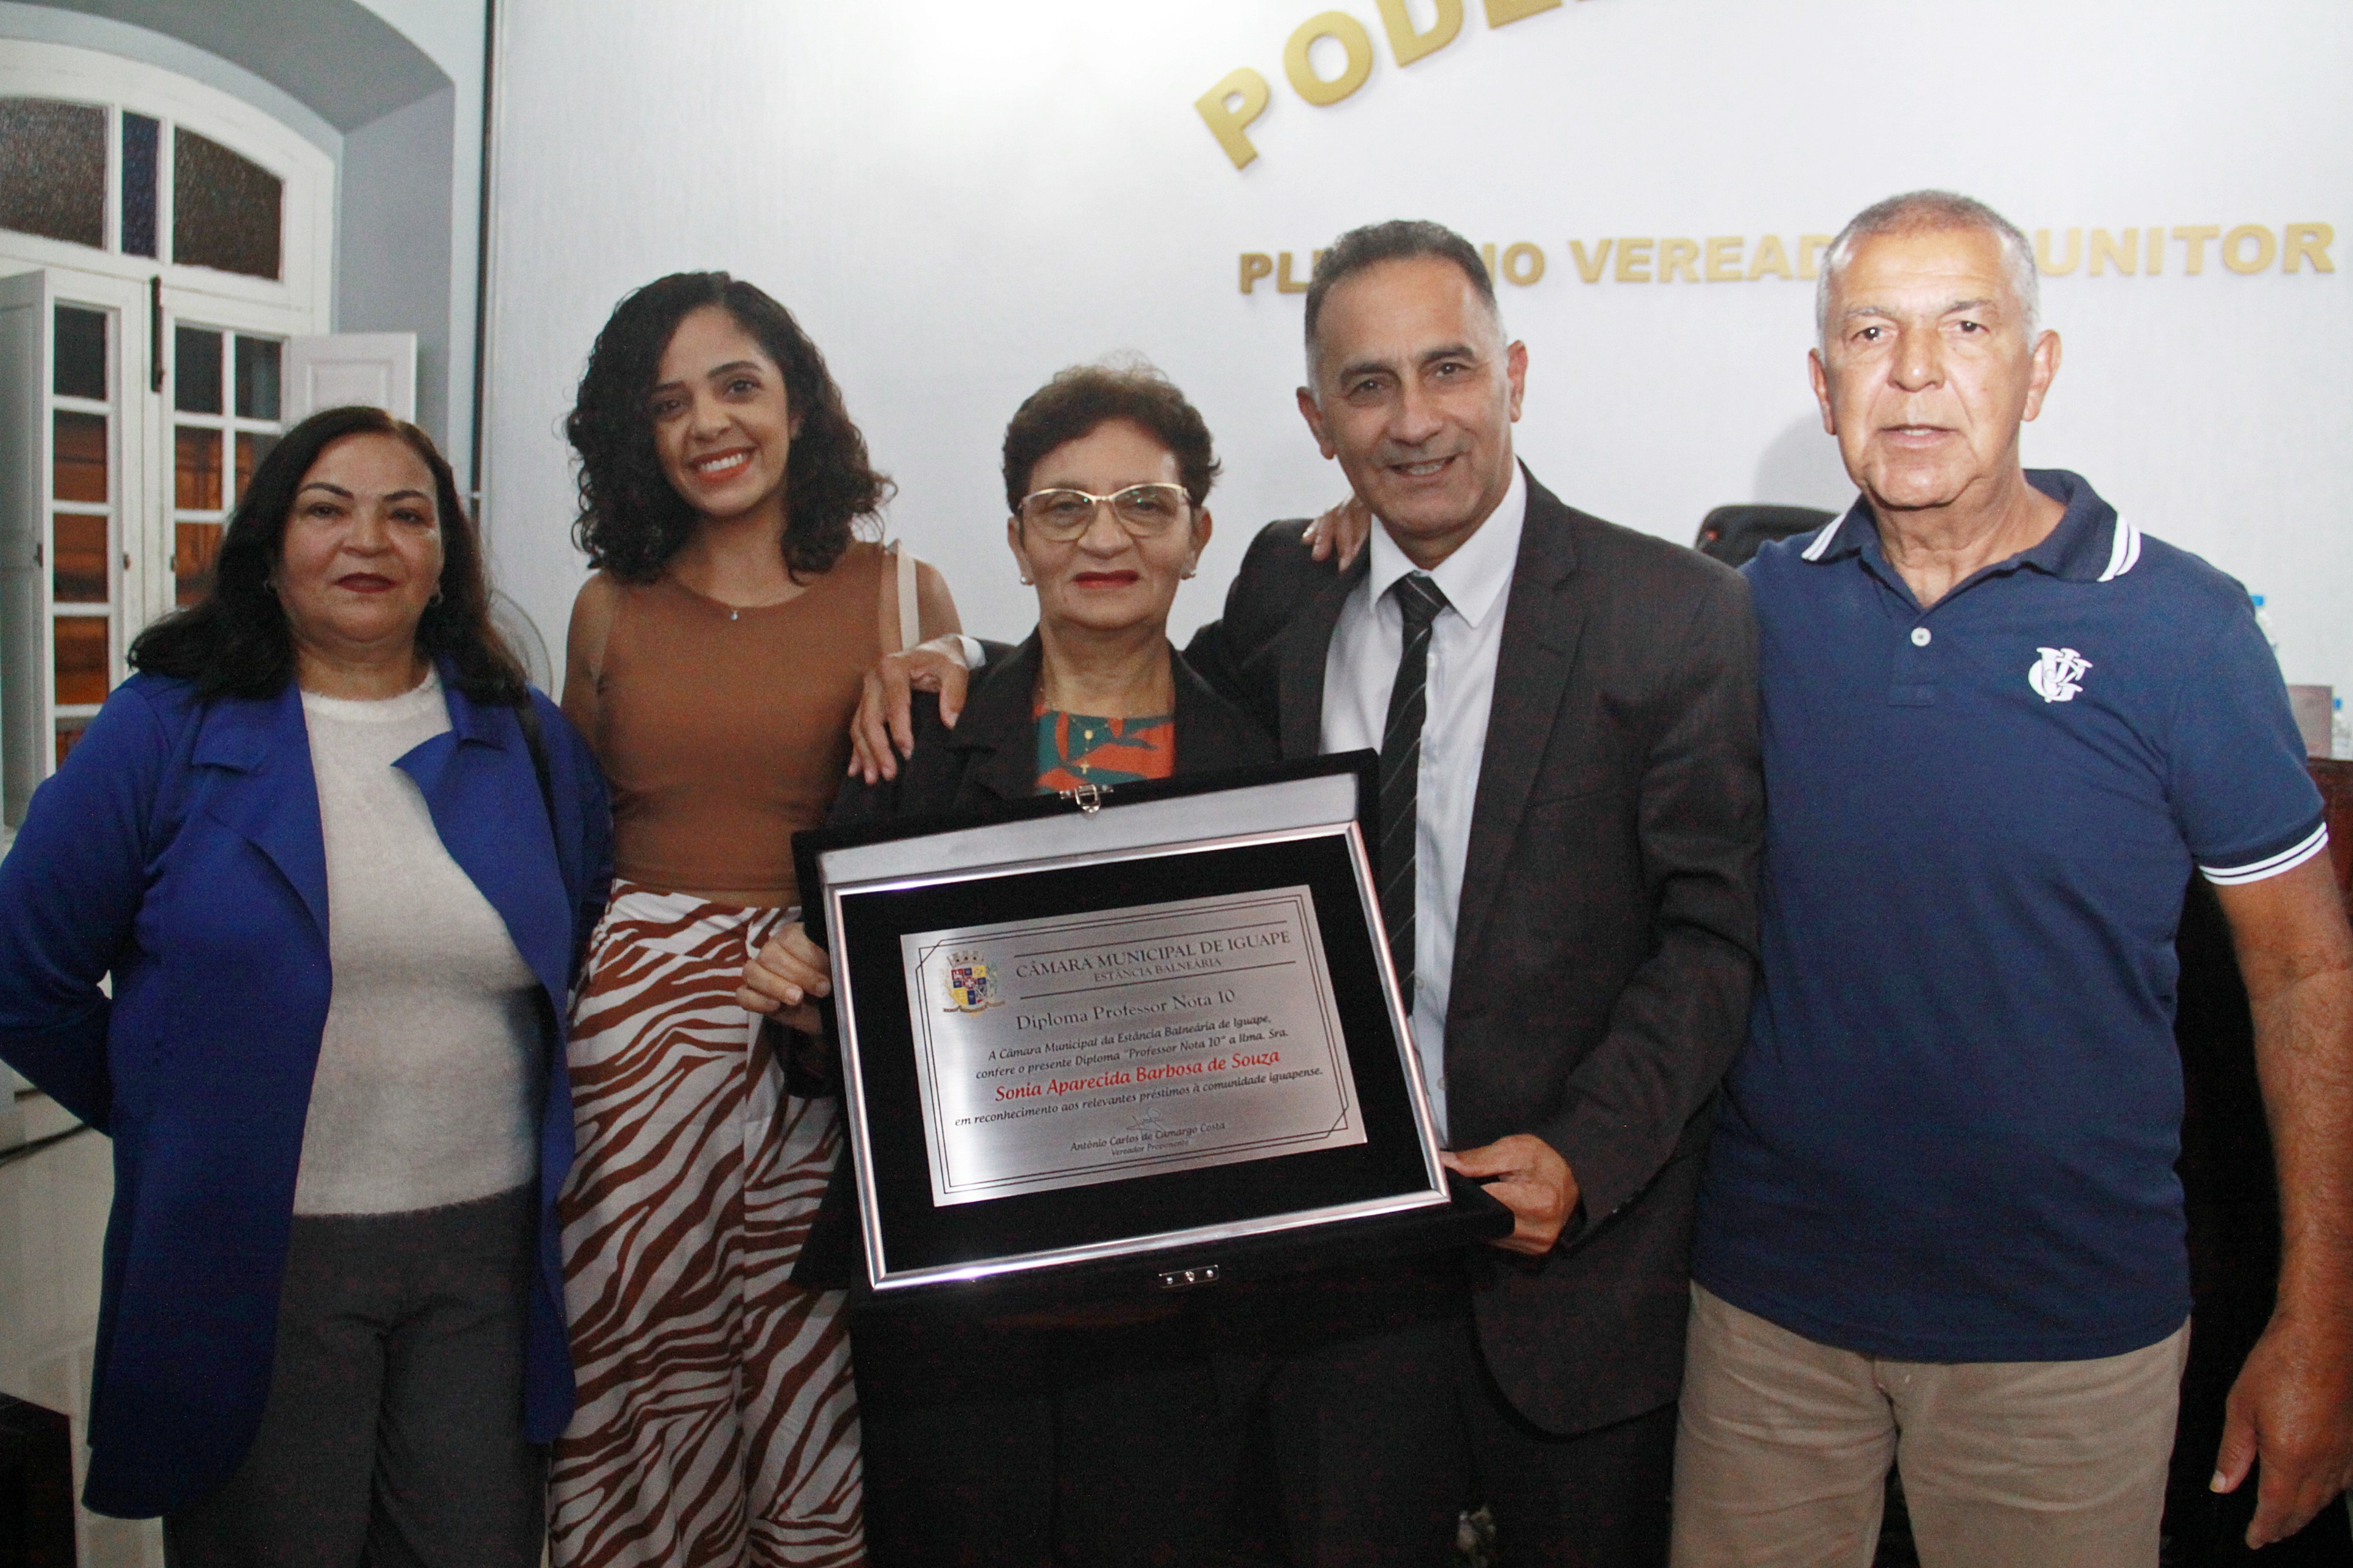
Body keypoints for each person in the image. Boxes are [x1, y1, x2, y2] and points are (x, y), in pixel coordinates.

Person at [851, 222, 1764, 1567]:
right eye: (1368, 386)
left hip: (1570, 1270)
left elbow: (1713, 939)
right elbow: (1118, 671)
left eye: (1448, 370)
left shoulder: (1679, 611)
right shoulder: (1293, 584)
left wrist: (1587, 1151)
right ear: (1318, 418)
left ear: (1514, 374)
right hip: (1328, 1298)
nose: (1413, 421)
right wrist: (957, 653)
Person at [1671, 191, 2353, 1566]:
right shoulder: (1751, 610)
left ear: (2038, 369)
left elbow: (2304, 973)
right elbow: (1546, 596)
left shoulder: (2183, 628)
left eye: (1965, 328)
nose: (1915, 372)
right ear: (1824, 382)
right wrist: (1362, 526)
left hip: (2065, 1339)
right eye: (1872, 333)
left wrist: (2324, 1319)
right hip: (1766, 1322)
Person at [0, 406, 611, 1561]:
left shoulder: (527, 740)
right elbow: (22, 973)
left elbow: (579, 936)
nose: (367, 540)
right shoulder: (160, 730)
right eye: (327, 509)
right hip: (258, 1255)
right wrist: (174, 1112)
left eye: (407, 514)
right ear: (271, 548)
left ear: (445, 558)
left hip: (485, 1258)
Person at [738, 360, 1276, 1565]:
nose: (1105, 538)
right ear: (1019, 540)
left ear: (1196, 537)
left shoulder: (1263, 760)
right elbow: (835, 1032)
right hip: (957, 1315)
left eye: (1145, 504)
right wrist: (810, 1000)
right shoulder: (915, 739)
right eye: (1063, 507)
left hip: (1182, 1318)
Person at [550, 271, 960, 1567]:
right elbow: (565, 848)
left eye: (738, 386)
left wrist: (965, 663)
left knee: (808, 1358)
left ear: (797, 403)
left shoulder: (905, 595)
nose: (708, 424)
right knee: (633, 1361)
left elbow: (948, 832)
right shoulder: (607, 607)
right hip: (631, 1075)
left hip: (818, 1040)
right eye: (668, 403)